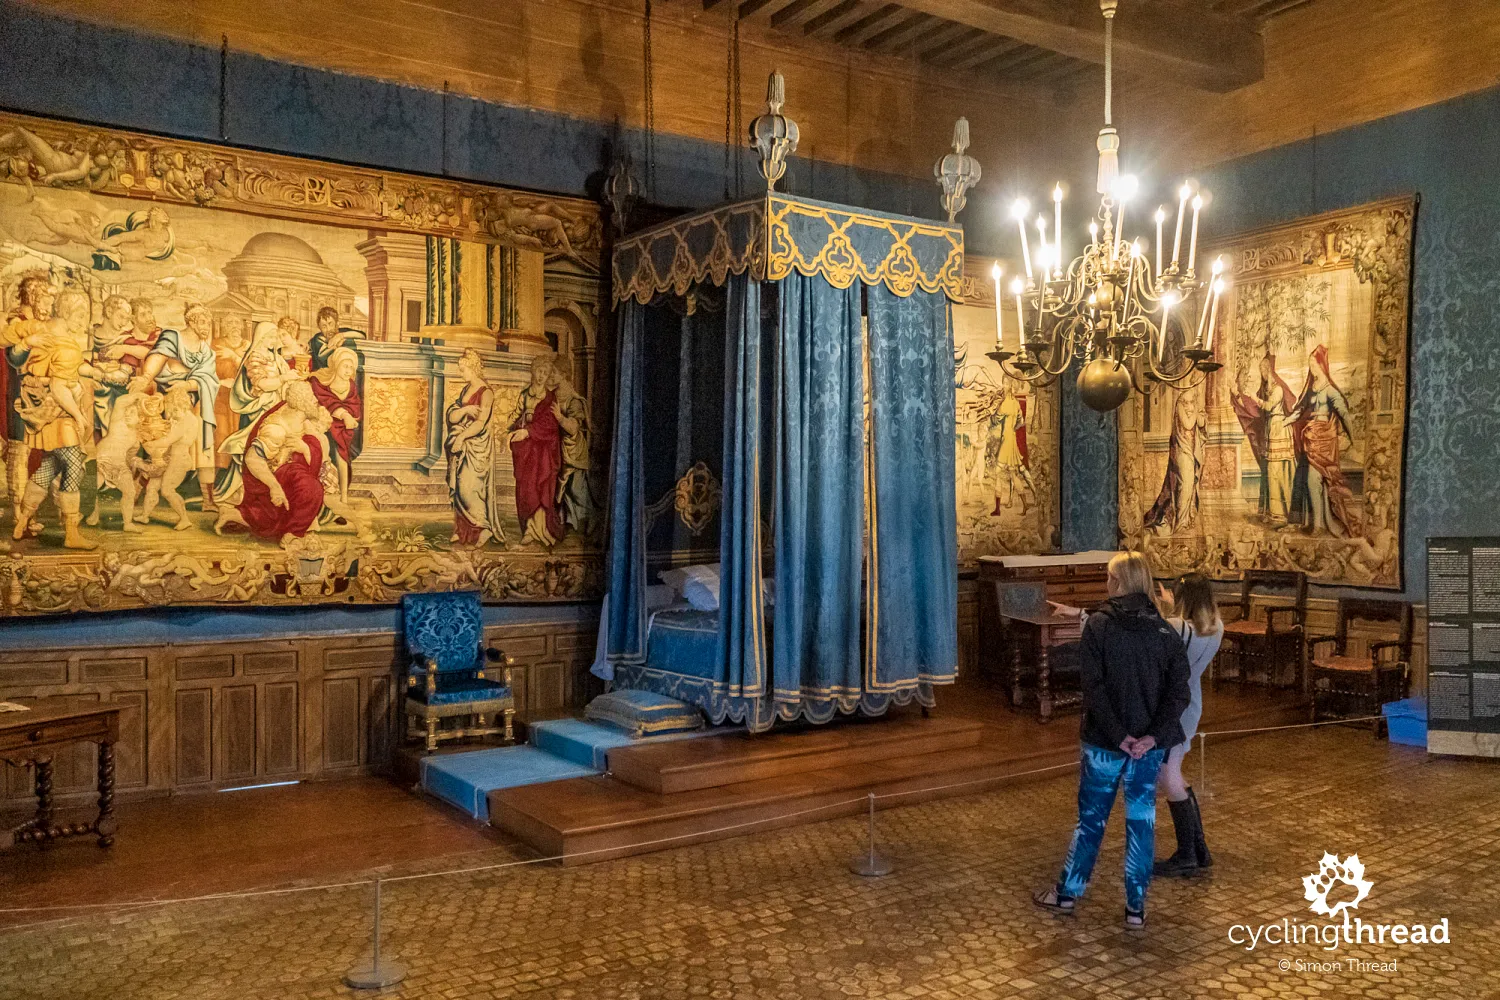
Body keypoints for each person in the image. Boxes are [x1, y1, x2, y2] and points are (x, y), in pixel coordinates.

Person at [1034, 551, 1191, 929]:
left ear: (1116, 582)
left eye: (1108, 577)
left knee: (1091, 821)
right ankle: (1136, 908)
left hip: (1105, 744)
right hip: (1147, 750)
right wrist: (1151, 736)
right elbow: (1178, 693)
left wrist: (1119, 735)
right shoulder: (1165, 631)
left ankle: (1067, 894)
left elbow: (1094, 688)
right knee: (1141, 822)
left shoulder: (1101, 627)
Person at [1152, 573, 1224, 878]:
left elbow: (1160, 636)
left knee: (1169, 777)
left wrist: (1166, 609)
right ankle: (1198, 848)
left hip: (1173, 705)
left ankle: (1186, 855)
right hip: (1192, 700)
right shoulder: (1217, 627)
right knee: (1175, 773)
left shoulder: (1177, 627)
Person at [136, 302, 220, 512]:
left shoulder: (206, 352)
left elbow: (209, 379)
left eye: (208, 323)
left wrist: (187, 384)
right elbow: (157, 356)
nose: (206, 327)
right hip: (165, 398)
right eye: (202, 322)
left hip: (192, 401)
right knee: (158, 444)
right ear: (191, 321)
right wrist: (146, 377)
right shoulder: (173, 336)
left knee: (196, 444)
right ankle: (140, 492)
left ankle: (205, 498)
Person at [445, 348, 502, 547]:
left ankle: (484, 528)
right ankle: (462, 530)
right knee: (460, 484)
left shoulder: (486, 393)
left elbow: (480, 423)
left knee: (469, 488)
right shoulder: (466, 389)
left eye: (463, 369)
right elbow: (455, 414)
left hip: (477, 446)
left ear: (473, 367)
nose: (461, 373)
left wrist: (461, 437)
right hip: (464, 443)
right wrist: (464, 410)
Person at [508, 352, 563, 546]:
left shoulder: (550, 398)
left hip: (543, 452)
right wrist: (511, 429)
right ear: (533, 371)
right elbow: (516, 416)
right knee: (526, 488)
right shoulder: (524, 395)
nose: (541, 375)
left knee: (540, 489)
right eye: (539, 370)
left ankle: (541, 530)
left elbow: (550, 425)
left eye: (545, 372)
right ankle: (529, 530)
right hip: (526, 451)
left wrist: (528, 432)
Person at [308, 346, 362, 503]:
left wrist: (350, 417)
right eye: (345, 366)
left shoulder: (350, 385)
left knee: (342, 454)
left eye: (351, 367)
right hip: (322, 424)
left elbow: (355, 405)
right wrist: (343, 414)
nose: (348, 370)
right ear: (336, 365)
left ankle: (344, 494)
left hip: (343, 428)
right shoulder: (322, 381)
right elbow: (324, 399)